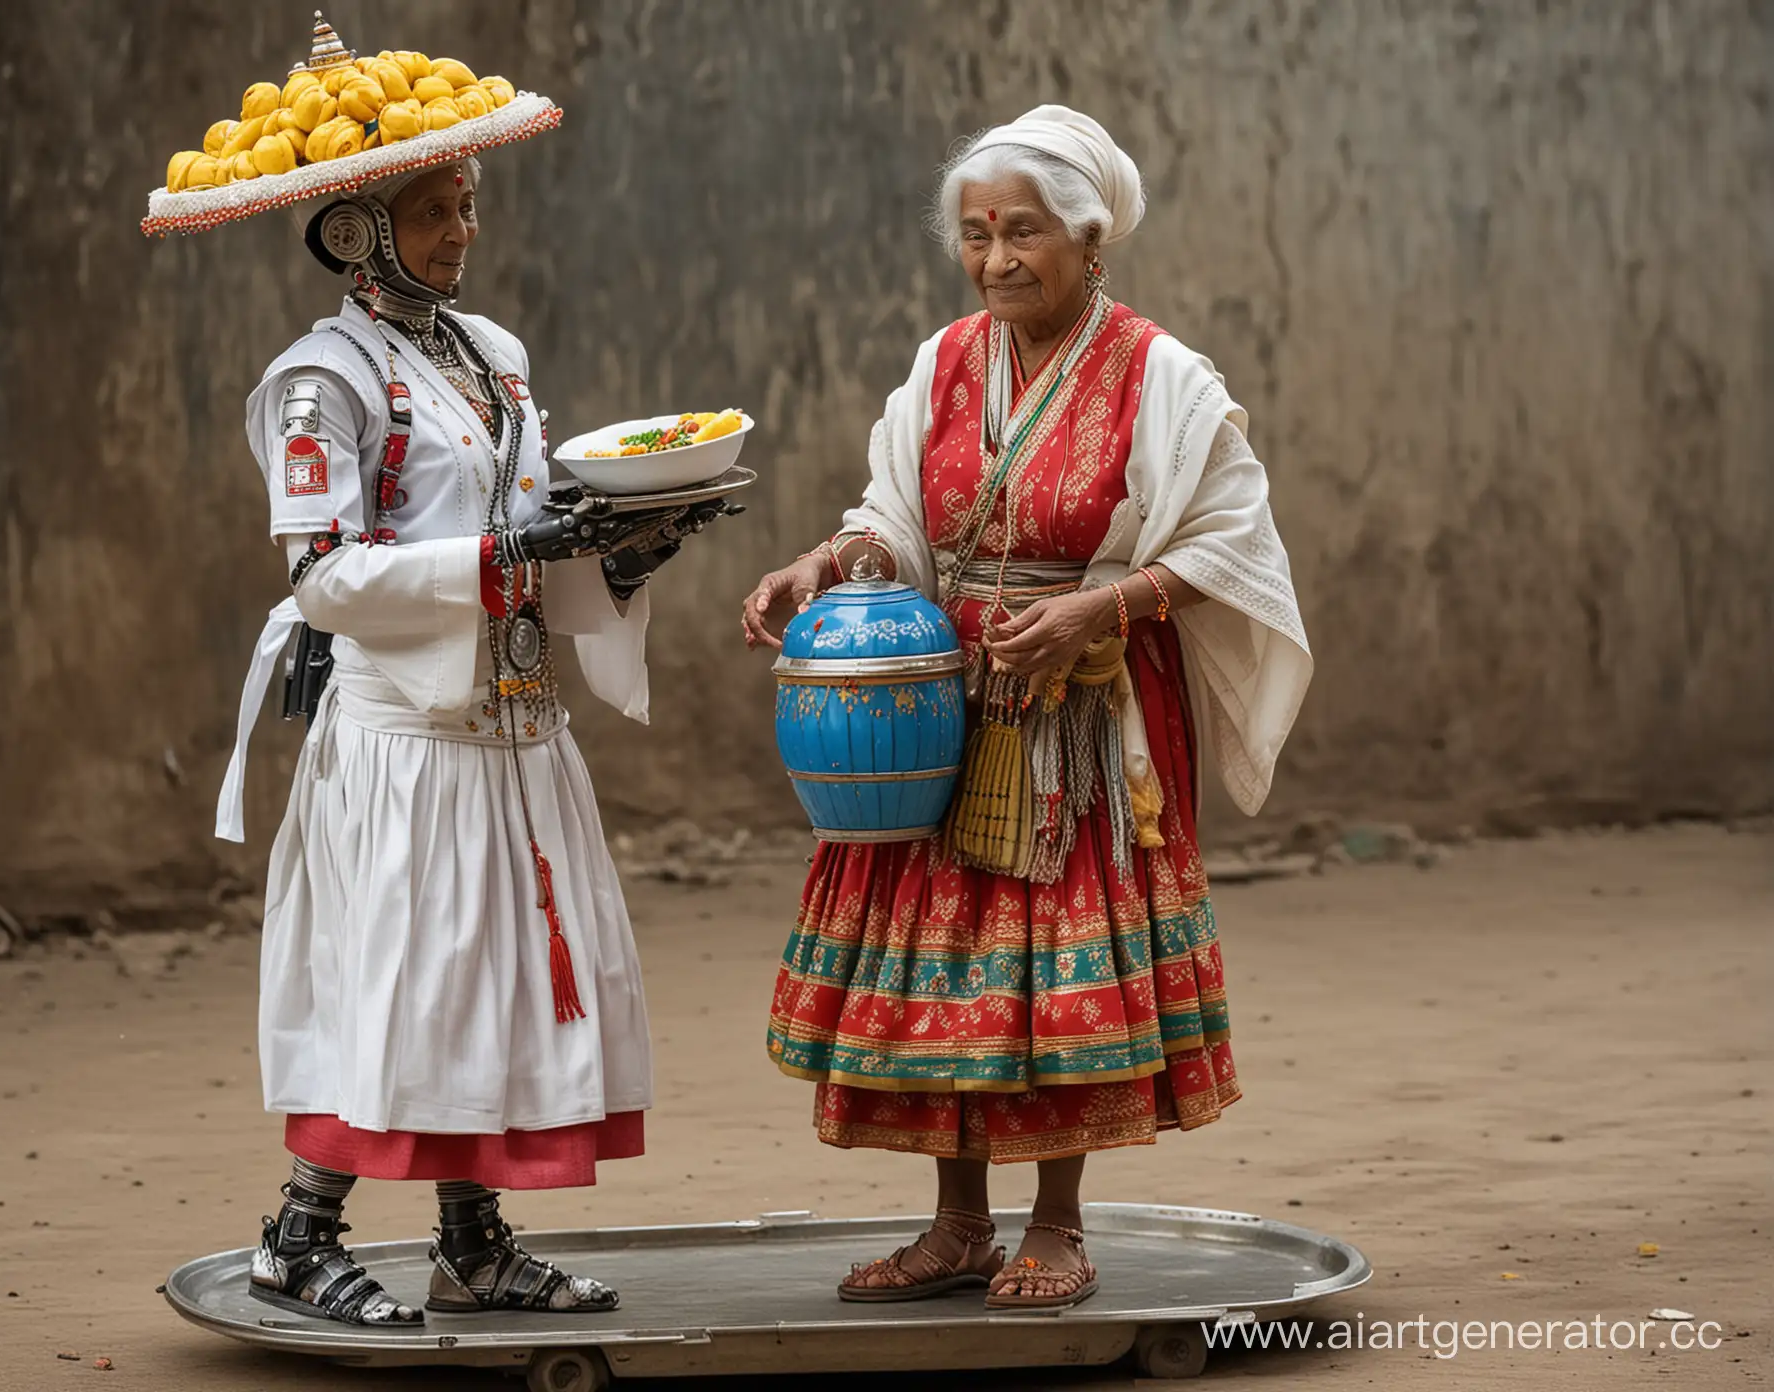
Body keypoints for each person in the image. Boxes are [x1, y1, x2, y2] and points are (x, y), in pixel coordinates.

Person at [159, 21, 733, 1326]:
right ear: (354, 228)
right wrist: (504, 552)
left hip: (518, 728)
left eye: (467, 204)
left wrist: (631, 547)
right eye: (432, 211)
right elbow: (321, 579)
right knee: (403, 980)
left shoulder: (501, 358)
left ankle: (472, 1244)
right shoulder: (319, 384)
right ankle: (297, 1239)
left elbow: (535, 545)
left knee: (493, 982)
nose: (460, 232)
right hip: (407, 743)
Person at [742, 105, 1311, 1310]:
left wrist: (1101, 613)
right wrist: (824, 563)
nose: (997, 259)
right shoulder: (946, 363)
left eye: (1025, 233)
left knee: (1057, 965)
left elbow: (1234, 541)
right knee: (951, 963)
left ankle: (1057, 1224)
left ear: (1092, 240)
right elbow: (894, 514)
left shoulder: (1162, 375)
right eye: (975, 234)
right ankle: (957, 1226)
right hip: (949, 707)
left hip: (1085, 715)